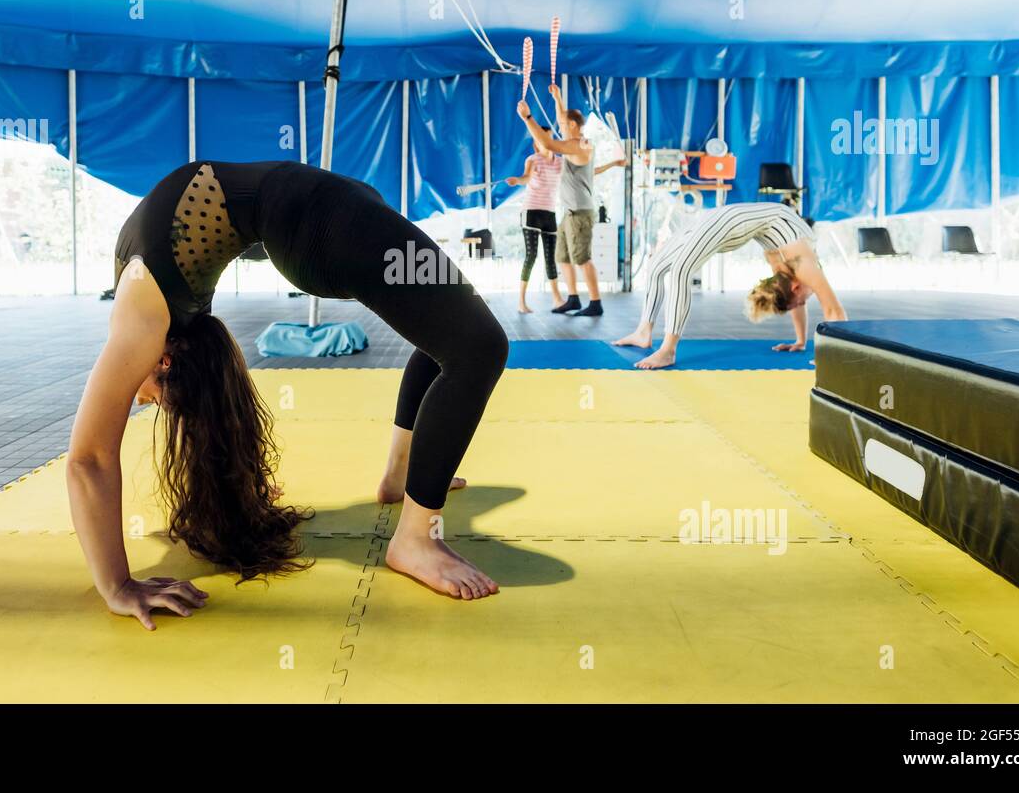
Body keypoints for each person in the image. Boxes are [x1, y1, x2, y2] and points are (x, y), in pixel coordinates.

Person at [67, 160, 508, 629]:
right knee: (475, 345)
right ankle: (415, 529)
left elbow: (88, 457)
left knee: (459, 338)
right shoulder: (158, 305)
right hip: (320, 211)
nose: (139, 399)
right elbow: (92, 460)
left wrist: (117, 584)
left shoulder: (143, 321)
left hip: (319, 214)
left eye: (153, 399)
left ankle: (407, 501)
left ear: (164, 361)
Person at [614, 202, 847, 369]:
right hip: (730, 221)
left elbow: (792, 300)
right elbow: (834, 310)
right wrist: (834, 356)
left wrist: (800, 340)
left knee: (659, 266)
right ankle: (667, 350)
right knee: (677, 270)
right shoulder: (805, 264)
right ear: (797, 287)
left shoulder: (785, 270)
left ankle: (645, 333)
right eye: (805, 300)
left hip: (728, 218)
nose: (808, 298)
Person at [516, 84, 625, 317]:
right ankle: (573, 298)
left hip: (580, 212)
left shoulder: (577, 146)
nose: (560, 127)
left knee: (582, 258)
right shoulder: (574, 143)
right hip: (569, 212)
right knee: (562, 257)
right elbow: (562, 120)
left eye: (564, 125)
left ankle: (595, 303)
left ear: (573, 126)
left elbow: (548, 144)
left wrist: (527, 118)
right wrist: (557, 99)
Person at [505, 141, 565, 313]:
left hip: (549, 213)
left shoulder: (560, 162)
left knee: (550, 258)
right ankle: (521, 302)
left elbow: (578, 172)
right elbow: (526, 177)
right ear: (537, 146)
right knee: (531, 255)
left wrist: (611, 165)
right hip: (531, 212)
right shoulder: (533, 160)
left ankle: (557, 299)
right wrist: (518, 180)